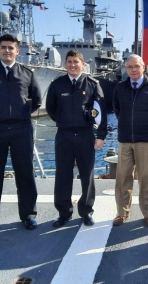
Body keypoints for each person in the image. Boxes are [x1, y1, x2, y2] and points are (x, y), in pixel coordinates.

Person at [0, 34, 42, 234]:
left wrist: (22, 113)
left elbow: (36, 99)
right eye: (3, 47)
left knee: (25, 172)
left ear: (17, 51)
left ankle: (28, 215)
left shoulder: (27, 73)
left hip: (21, 128)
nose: (7, 51)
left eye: (11, 48)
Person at [46, 49, 107, 228]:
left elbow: (101, 111)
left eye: (76, 62)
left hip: (84, 135)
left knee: (87, 175)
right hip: (64, 135)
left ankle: (86, 211)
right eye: (70, 62)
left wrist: (101, 136)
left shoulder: (92, 84)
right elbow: (51, 108)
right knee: (63, 175)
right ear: (65, 64)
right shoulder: (57, 85)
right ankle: (64, 212)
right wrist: (64, 120)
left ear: (83, 64)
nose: (73, 65)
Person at [112, 54, 148, 227]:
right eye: (130, 67)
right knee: (123, 177)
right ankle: (122, 212)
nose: (133, 70)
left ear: (143, 67)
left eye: (137, 66)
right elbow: (117, 110)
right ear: (126, 69)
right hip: (125, 139)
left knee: (146, 177)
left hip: (146, 140)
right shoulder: (120, 88)